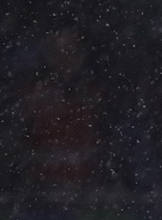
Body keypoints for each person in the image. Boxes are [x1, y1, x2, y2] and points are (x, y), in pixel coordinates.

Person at [17, 30, 102, 192]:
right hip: (38, 191)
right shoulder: (33, 93)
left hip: (90, 191)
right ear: (48, 56)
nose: (64, 59)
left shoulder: (97, 93)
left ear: (81, 56)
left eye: (70, 51)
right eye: (58, 53)